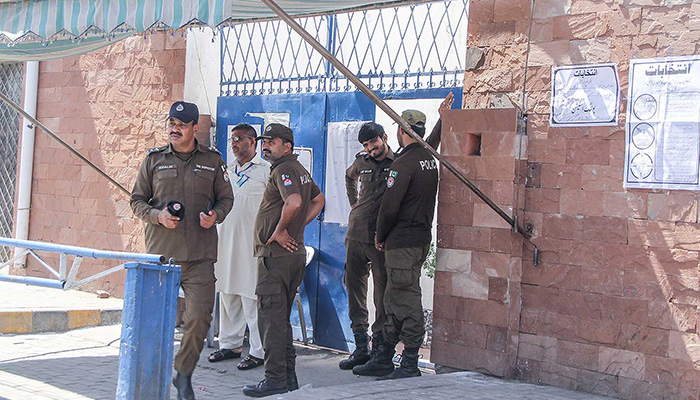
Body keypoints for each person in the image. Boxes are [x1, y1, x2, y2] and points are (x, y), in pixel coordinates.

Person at [130, 101, 234, 400]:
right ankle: (148, 376)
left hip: (200, 255)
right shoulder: (154, 160)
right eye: (172, 123)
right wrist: (157, 216)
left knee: (200, 318)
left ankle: (183, 373)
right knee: (155, 321)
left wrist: (215, 215)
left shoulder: (213, 161)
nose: (175, 129)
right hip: (163, 255)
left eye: (182, 124)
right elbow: (137, 200)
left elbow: (226, 199)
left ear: (194, 129)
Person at [343, 94, 453, 372]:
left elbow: (390, 208)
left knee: (396, 298)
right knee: (389, 296)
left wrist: (380, 235)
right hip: (377, 237)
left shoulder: (401, 163)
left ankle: (399, 358)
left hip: (395, 241)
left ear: (395, 133)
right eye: (366, 145)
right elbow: (429, 143)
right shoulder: (425, 155)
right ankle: (372, 353)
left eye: (373, 142)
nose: (370, 148)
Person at [243, 123, 325, 398]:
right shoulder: (298, 169)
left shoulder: (284, 169)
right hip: (292, 255)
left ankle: (275, 379)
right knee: (280, 320)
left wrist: (280, 232)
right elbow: (319, 200)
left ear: (287, 146)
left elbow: (294, 203)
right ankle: (287, 379)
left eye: (272, 142)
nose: (266, 145)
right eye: (264, 141)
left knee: (271, 320)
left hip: (276, 258)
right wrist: (296, 228)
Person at [209, 124, 270, 370]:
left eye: (239, 139)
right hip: (226, 241)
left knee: (251, 296)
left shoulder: (267, 170)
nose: (234, 143)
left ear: (253, 142)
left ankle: (258, 350)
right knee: (228, 293)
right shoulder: (226, 170)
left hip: (252, 244)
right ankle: (230, 344)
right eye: (232, 139)